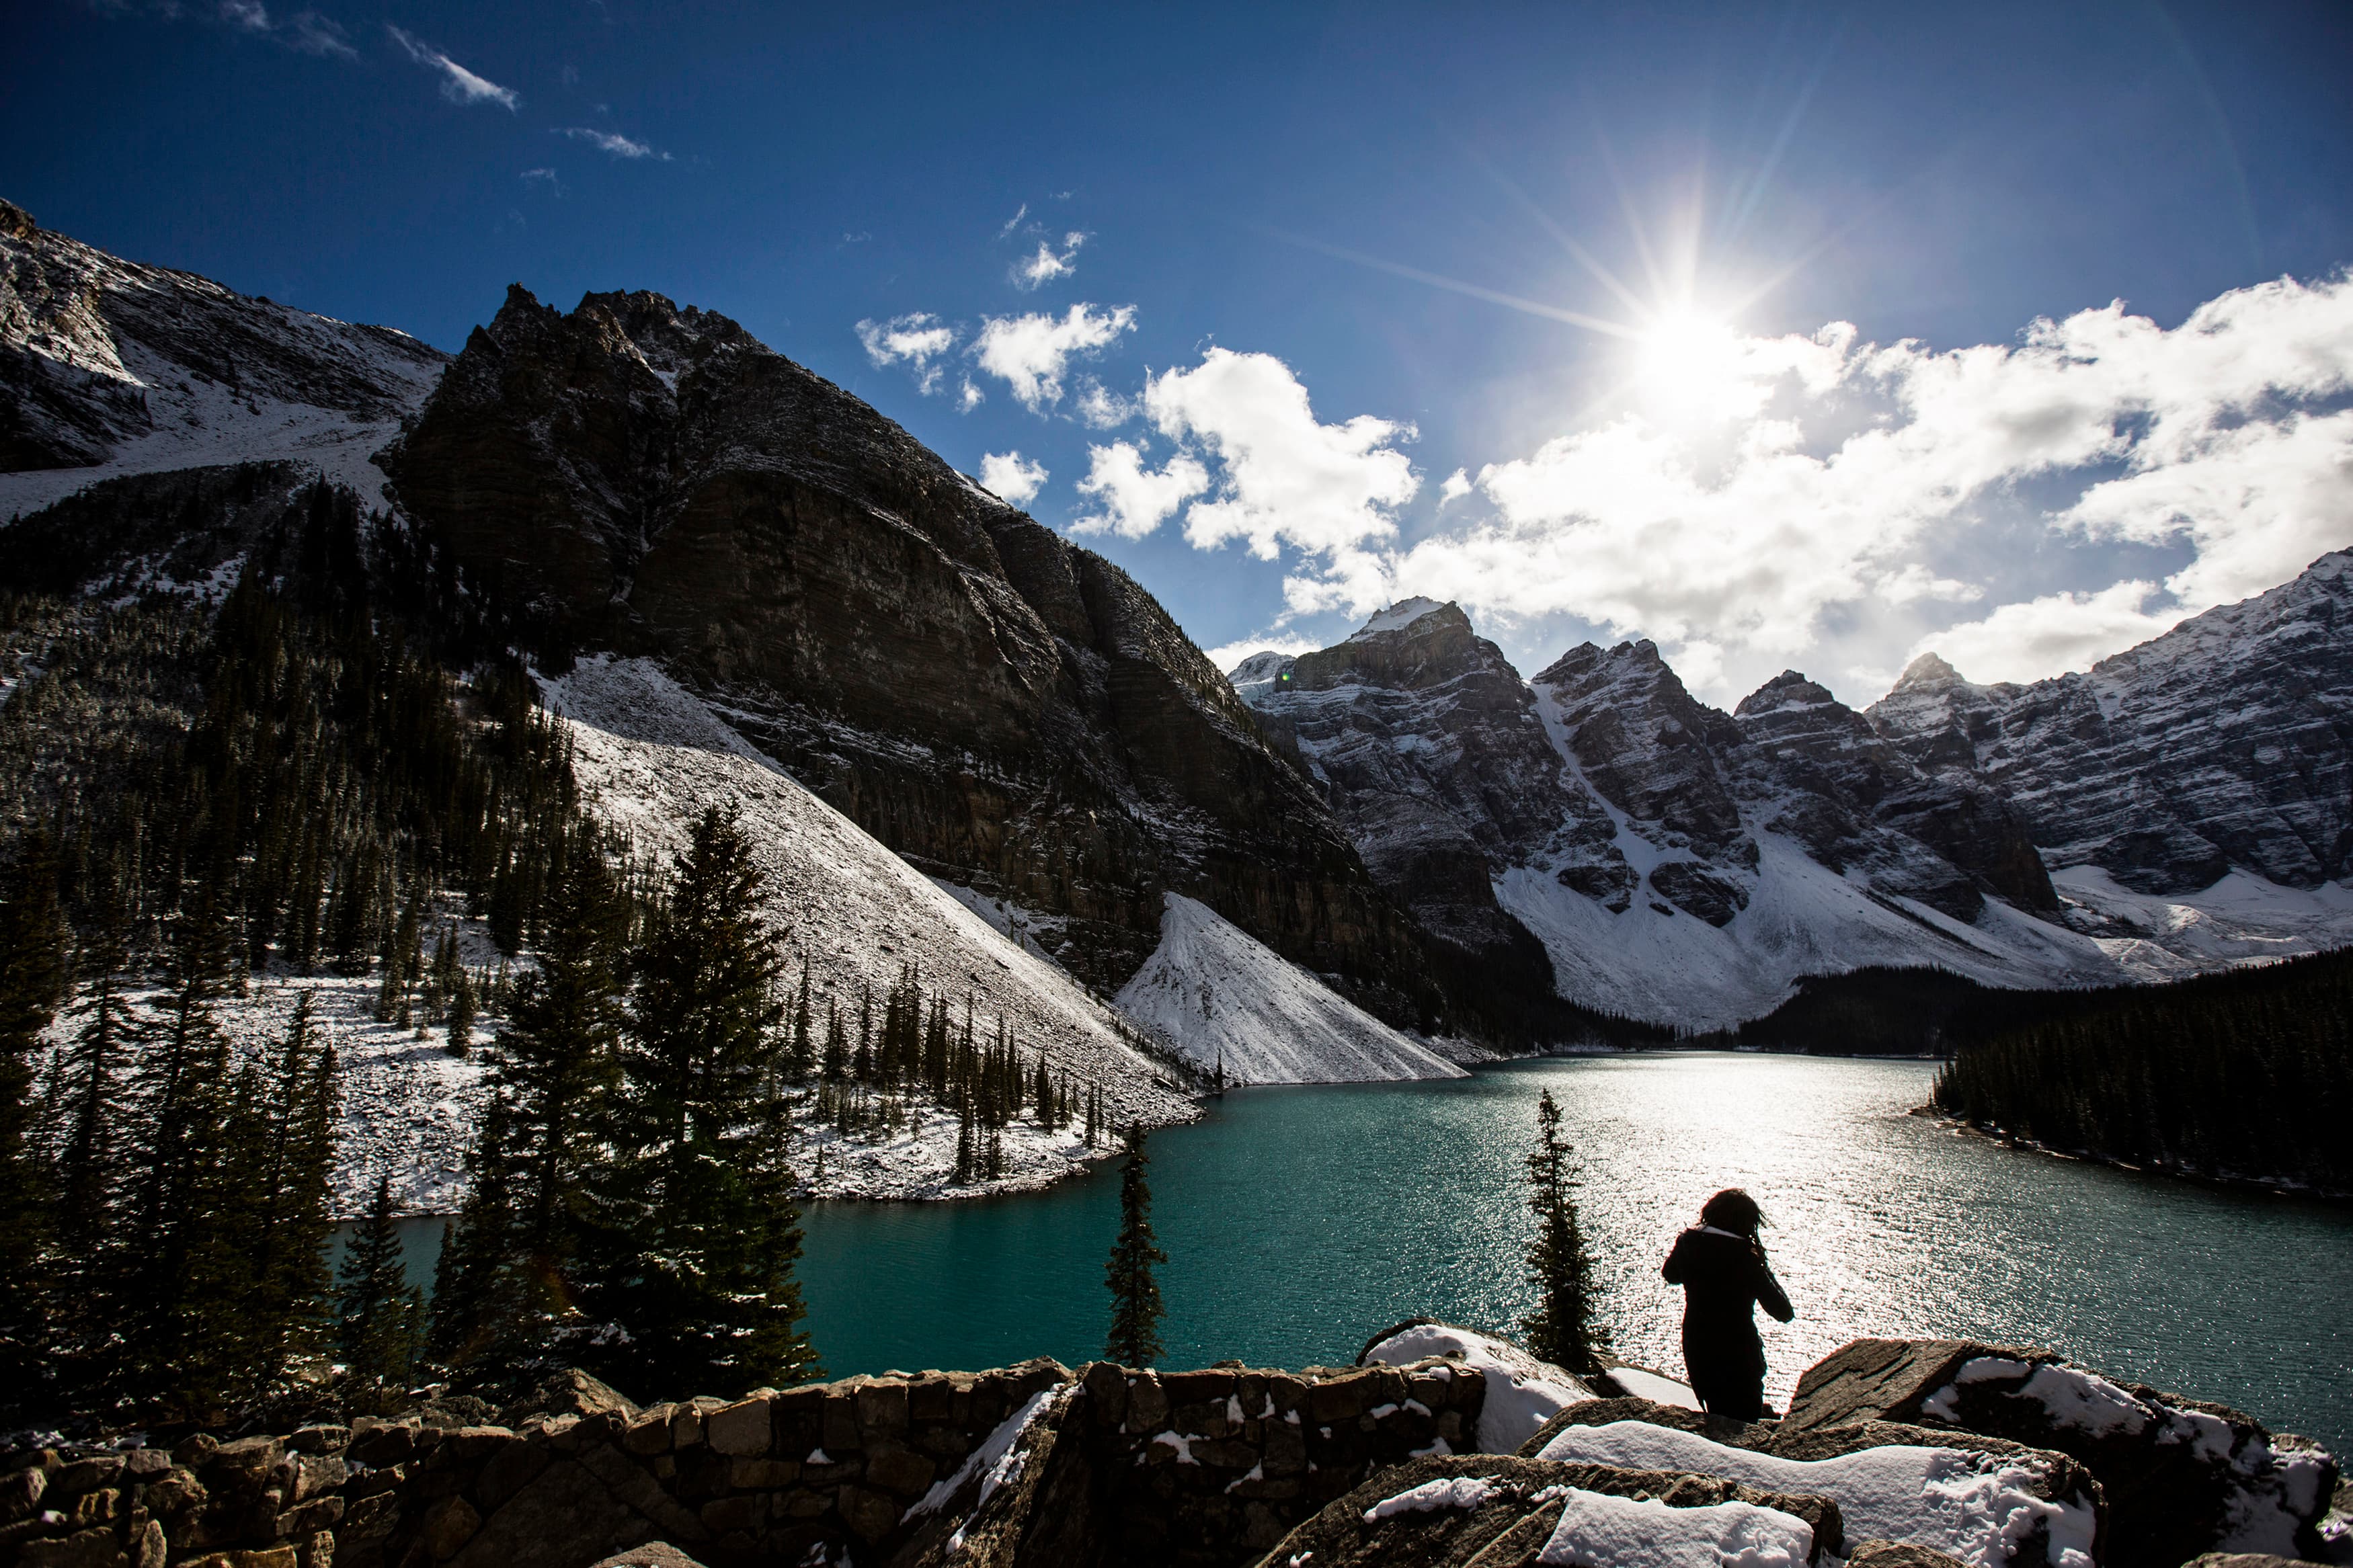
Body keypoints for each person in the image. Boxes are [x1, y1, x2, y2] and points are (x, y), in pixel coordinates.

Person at [1661, 1188, 1793, 1421]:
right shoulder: (1744, 1257)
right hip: (1738, 1355)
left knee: (1716, 1414)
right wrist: (1762, 1265)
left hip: (1698, 1347)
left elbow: (1670, 1275)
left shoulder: (1688, 1242)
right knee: (1743, 1422)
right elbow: (1783, 1311)